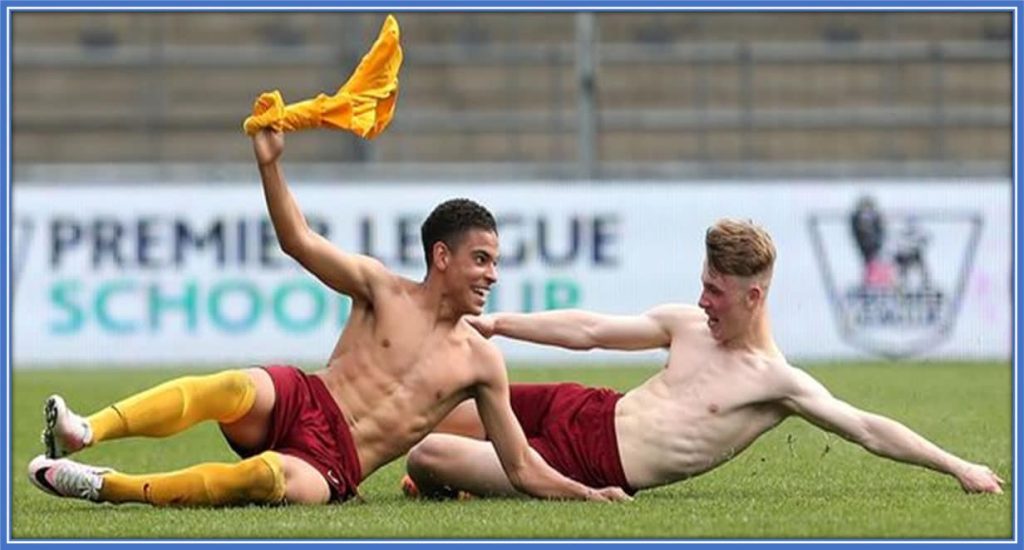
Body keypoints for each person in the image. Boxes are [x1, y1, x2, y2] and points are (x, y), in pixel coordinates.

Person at [26, 129, 630, 507]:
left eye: (495, 262)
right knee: (235, 385)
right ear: (441, 257)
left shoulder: (480, 361)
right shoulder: (378, 287)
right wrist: (270, 163)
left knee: (267, 481)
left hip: (335, 464)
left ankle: (104, 485)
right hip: (305, 400)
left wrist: (585, 493)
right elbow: (297, 240)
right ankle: (86, 430)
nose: (492, 275)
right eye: (481, 259)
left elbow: (520, 464)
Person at [404, 218, 1005, 499]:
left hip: (590, 463)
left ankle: (460, 480)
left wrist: (958, 467)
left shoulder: (776, 382)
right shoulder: (689, 323)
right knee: (435, 407)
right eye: (703, 282)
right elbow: (591, 331)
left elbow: (868, 429)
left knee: (428, 455)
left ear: (754, 296)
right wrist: (499, 324)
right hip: (584, 406)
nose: (702, 299)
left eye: (715, 291)